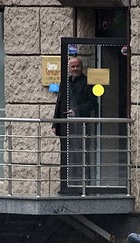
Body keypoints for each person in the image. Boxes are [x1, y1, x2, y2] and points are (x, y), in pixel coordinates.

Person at [53, 56, 97, 188]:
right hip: (66, 126)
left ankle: (83, 185)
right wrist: (55, 123)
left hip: (80, 126)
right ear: (69, 68)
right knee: (66, 155)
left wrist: (76, 111)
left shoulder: (88, 82)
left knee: (81, 155)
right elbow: (59, 103)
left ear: (81, 67)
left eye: (77, 66)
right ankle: (67, 184)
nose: (75, 69)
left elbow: (92, 103)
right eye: (73, 66)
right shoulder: (65, 83)